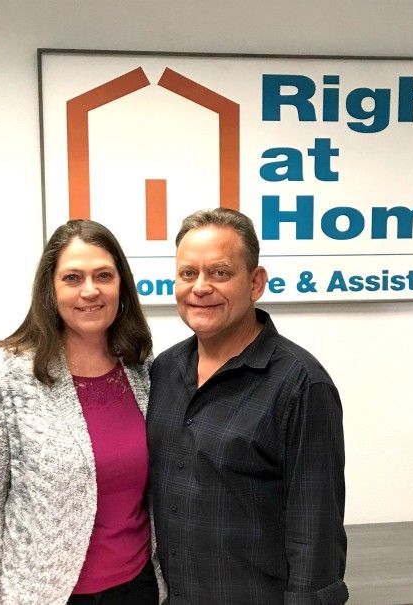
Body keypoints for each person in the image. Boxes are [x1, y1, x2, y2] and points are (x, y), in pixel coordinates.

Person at [0, 219, 167, 605]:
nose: (90, 290)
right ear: (50, 290)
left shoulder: (141, 367)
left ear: (121, 284)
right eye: (73, 278)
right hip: (47, 594)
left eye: (103, 275)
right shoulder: (8, 375)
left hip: (138, 588)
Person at [148, 208, 348, 604]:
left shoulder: (301, 384)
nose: (200, 288)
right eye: (188, 274)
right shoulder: (164, 371)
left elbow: (315, 530)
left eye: (220, 273)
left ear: (255, 283)